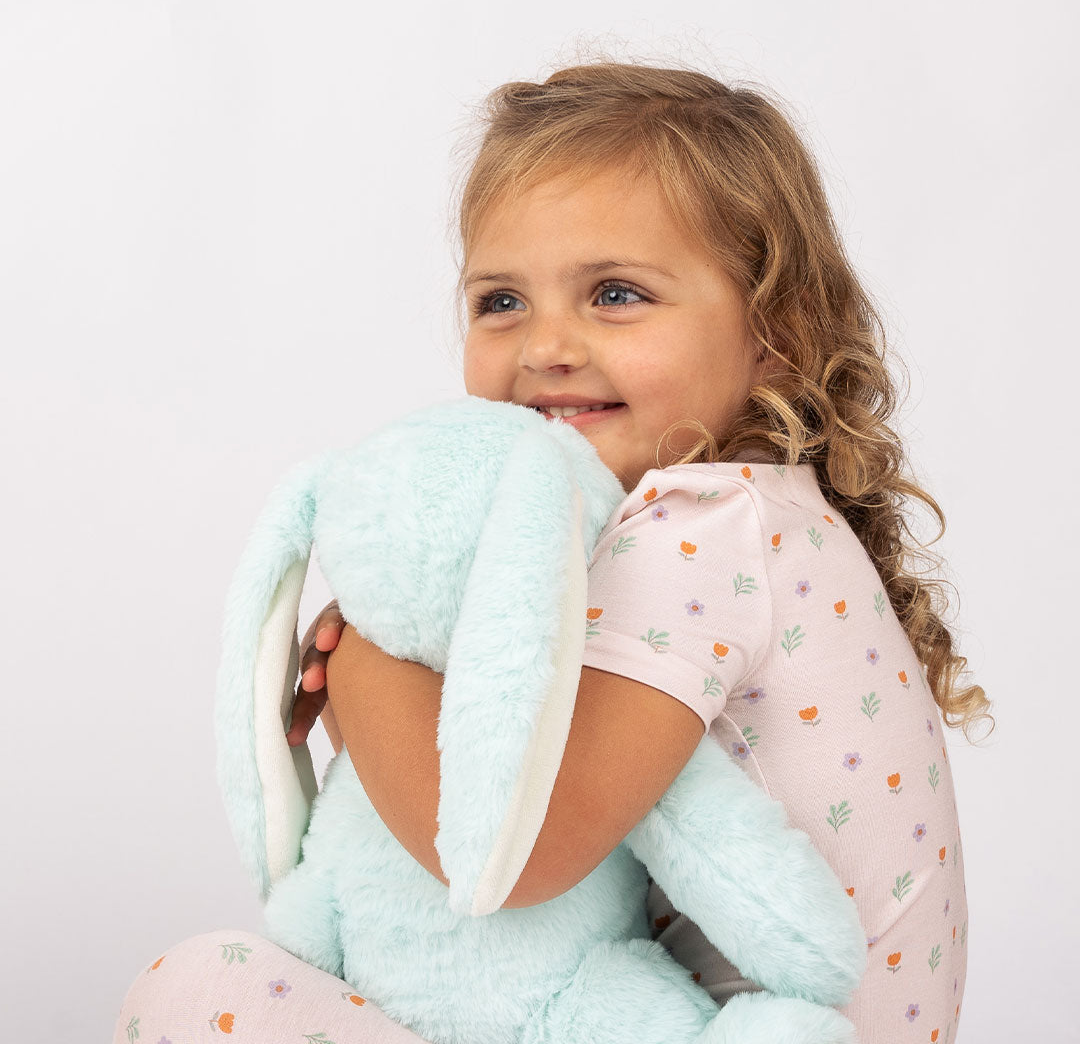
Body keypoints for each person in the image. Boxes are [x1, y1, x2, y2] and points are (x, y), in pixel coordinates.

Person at [115, 59, 992, 1043]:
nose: (545, 346)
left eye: (615, 293)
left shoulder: (698, 526)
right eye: (500, 302)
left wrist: (368, 670)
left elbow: (510, 857)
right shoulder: (758, 513)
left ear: (776, 333)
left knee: (199, 992)